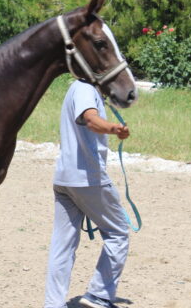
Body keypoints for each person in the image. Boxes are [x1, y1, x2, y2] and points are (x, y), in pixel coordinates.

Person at [43, 79, 131, 308]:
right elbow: (90, 119)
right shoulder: (85, 89)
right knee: (118, 232)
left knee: (62, 245)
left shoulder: (76, 87)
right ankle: (100, 295)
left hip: (63, 178)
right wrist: (114, 128)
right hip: (87, 177)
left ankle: (53, 304)